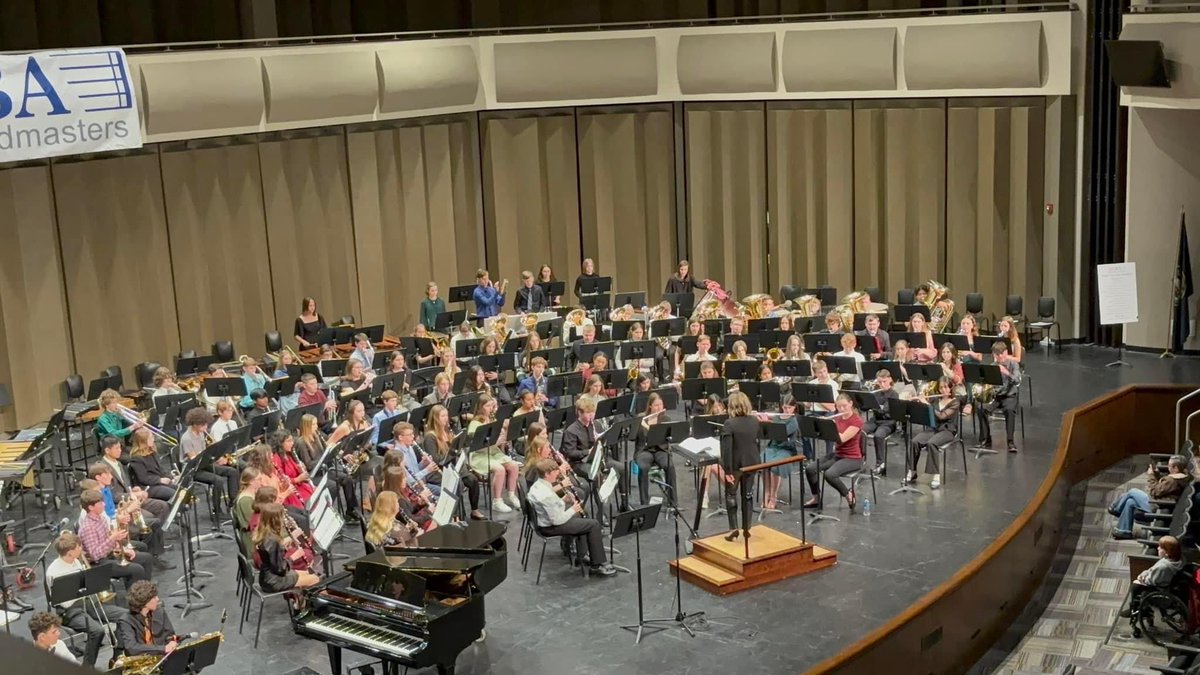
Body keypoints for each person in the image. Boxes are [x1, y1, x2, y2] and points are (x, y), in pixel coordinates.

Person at [45, 532, 129, 666]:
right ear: (70, 552)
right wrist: (81, 589)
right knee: (97, 631)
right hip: (69, 611)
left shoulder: (76, 561)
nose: (81, 549)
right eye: (78, 547)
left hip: (88, 603)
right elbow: (64, 602)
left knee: (124, 615)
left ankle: (117, 656)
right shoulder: (54, 572)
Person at [527, 458, 617, 577]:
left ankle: (582, 555)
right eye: (554, 472)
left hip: (545, 521)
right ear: (547, 474)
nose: (557, 473)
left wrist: (563, 499)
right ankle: (597, 565)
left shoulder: (539, 485)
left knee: (583, 517)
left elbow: (552, 503)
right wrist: (573, 509)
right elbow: (557, 520)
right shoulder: (546, 495)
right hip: (550, 527)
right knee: (593, 524)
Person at [559, 398, 628, 511]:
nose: (591, 415)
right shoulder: (571, 431)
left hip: (597, 459)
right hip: (579, 463)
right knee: (597, 476)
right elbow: (570, 453)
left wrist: (601, 441)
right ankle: (601, 511)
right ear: (580, 413)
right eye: (588, 413)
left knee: (622, 468)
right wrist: (588, 452)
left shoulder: (595, 424)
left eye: (593, 412)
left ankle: (624, 504)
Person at [77, 489, 152, 588]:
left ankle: (146, 592)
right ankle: (137, 600)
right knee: (136, 570)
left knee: (146, 558)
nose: (104, 504)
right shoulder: (88, 528)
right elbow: (95, 555)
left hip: (110, 554)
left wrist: (123, 549)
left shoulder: (101, 518)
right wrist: (112, 538)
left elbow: (110, 542)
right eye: (100, 503)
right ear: (91, 507)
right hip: (99, 563)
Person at [803, 393, 864, 512]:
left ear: (851, 404)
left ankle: (848, 494)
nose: (841, 409)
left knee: (829, 474)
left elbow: (842, 438)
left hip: (852, 458)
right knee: (810, 469)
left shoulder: (856, 421)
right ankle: (816, 498)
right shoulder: (837, 418)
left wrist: (829, 426)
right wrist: (821, 425)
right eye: (839, 407)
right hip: (838, 454)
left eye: (844, 406)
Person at [422, 405, 485, 520]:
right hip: (440, 471)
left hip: (453, 467)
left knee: (473, 480)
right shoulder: (430, 437)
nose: (446, 418)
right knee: (458, 484)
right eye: (442, 416)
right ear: (435, 418)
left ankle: (474, 510)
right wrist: (451, 453)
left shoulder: (448, 431)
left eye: (446, 415)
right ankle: (455, 516)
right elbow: (436, 459)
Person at [1109, 455, 1192, 539]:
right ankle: (1123, 531)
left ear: (1176, 468)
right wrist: (1156, 473)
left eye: (1170, 466)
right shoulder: (1181, 477)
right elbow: (1163, 487)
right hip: (1161, 502)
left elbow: (1154, 492)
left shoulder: (1172, 481)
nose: (1168, 467)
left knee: (1132, 491)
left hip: (1156, 504)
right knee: (1130, 502)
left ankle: (1116, 509)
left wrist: (1151, 476)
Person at [467, 394, 521, 514]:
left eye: (492, 406)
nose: (490, 408)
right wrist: (496, 441)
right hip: (479, 455)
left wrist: (503, 438)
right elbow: (476, 445)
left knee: (513, 466)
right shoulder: (475, 424)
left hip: (493, 452)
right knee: (500, 469)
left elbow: (498, 443)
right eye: (487, 406)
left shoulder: (492, 420)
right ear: (481, 407)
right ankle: (497, 501)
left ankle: (511, 495)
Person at [178, 407, 238, 513]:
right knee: (218, 480)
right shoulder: (186, 438)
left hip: (204, 464)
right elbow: (193, 459)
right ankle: (217, 510)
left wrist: (215, 453)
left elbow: (205, 452)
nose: (206, 427)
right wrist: (210, 456)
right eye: (203, 425)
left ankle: (232, 502)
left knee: (232, 471)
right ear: (194, 424)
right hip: (193, 469)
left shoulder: (201, 432)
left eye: (206, 424)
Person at [253, 502, 322, 592]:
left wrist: (284, 546)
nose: (283, 520)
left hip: (267, 577)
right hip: (274, 581)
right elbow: (281, 570)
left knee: (307, 573)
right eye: (282, 517)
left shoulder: (264, 533)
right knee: (315, 579)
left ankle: (300, 602)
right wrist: (294, 557)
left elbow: (271, 558)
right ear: (276, 520)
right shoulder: (273, 540)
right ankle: (304, 603)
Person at [97, 435, 169, 520]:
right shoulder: (102, 469)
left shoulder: (119, 463)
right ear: (107, 450)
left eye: (120, 448)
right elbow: (113, 495)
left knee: (162, 506)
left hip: (131, 498)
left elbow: (126, 484)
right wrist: (132, 495)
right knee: (151, 517)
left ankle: (158, 532)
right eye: (116, 448)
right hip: (120, 504)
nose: (120, 451)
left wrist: (134, 489)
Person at [907, 377, 961, 490]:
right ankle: (912, 471)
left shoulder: (955, 402)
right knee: (915, 441)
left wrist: (926, 403)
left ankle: (935, 475)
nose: (943, 390)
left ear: (951, 388)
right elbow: (925, 410)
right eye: (941, 387)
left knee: (932, 444)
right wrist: (915, 401)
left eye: (946, 387)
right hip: (934, 428)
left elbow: (942, 416)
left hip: (948, 430)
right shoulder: (935, 400)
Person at [720, 392, 760, 540]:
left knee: (731, 494)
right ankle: (747, 528)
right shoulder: (754, 421)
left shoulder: (729, 424)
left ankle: (733, 528)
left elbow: (727, 449)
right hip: (752, 463)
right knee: (747, 495)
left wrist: (727, 470)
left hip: (736, 466)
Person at [1119, 536, 1185, 618]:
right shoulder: (1178, 559)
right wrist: (1145, 573)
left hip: (1160, 590)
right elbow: (1153, 570)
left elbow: (1151, 581)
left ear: (1167, 553)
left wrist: (1142, 578)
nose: (1157, 549)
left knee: (1135, 586)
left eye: (1160, 548)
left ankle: (1136, 609)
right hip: (1165, 583)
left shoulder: (1163, 567)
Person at [976, 342, 1023, 452]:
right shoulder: (992, 366)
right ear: (994, 355)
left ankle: (1010, 441)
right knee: (981, 408)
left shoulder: (1013, 365)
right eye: (997, 355)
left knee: (1009, 410)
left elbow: (1017, 381)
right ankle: (986, 440)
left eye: (1002, 354)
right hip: (996, 396)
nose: (1000, 357)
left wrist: (1006, 372)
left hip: (1009, 395)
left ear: (1006, 352)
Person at [633, 393, 677, 507]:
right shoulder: (641, 418)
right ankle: (644, 503)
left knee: (670, 466)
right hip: (644, 450)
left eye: (661, 405)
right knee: (643, 468)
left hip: (660, 449)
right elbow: (634, 438)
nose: (659, 407)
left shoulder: (666, 419)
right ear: (650, 406)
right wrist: (637, 426)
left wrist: (648, 428)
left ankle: (673, 502)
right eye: (656, 405)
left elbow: (664, 439)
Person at [115, 581, 179, 657]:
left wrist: (171, 643)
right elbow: (131, 648)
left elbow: (170, 635)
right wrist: (162, 648)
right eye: (154, 597)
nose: (158, 599)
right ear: (145, 602)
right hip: (141, 660)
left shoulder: (159, 612)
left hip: (162, 656)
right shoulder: (126, 621)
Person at [761, 396, 800, 510]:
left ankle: (774, 496)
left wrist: (768, 423)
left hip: (786, 450)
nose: (786, 410)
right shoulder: (777, 417)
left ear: (794, 407)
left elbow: (781, 434)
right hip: (773, 447)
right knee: (763, 462)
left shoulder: (793, 421)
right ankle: (766, 493)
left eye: (789, 408)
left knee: (775, 465)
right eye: (784, 407)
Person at [865, 370, 900, 476]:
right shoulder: (876, 393)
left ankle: (880, 463)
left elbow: (885, 410)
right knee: (860, 430)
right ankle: (861, 458)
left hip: (888, 422)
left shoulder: (894, 394)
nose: (882, 384)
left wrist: (875, 407)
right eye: (879, 382)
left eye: (884, 381)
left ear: (890, 380)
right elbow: (868, 407)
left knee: (878, 436)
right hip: (876, 420)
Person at [127, 428, 177, 502]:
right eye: (151, 438)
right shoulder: (136, 459)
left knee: (179, 489)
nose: (153, 439)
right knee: (173, 494)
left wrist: (171, 477)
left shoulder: (152, 452)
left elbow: (161, 469)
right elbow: (143, 478)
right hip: (147, 487)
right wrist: (159, 480)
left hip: (157, 483)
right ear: (143, 441)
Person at [232, 466, 263, 555]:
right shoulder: (245, 501)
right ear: (251, 481)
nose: (261, 482)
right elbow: (253, 525)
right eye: (259, 479)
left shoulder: (252, 495)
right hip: (253, 543)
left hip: (257, 535)